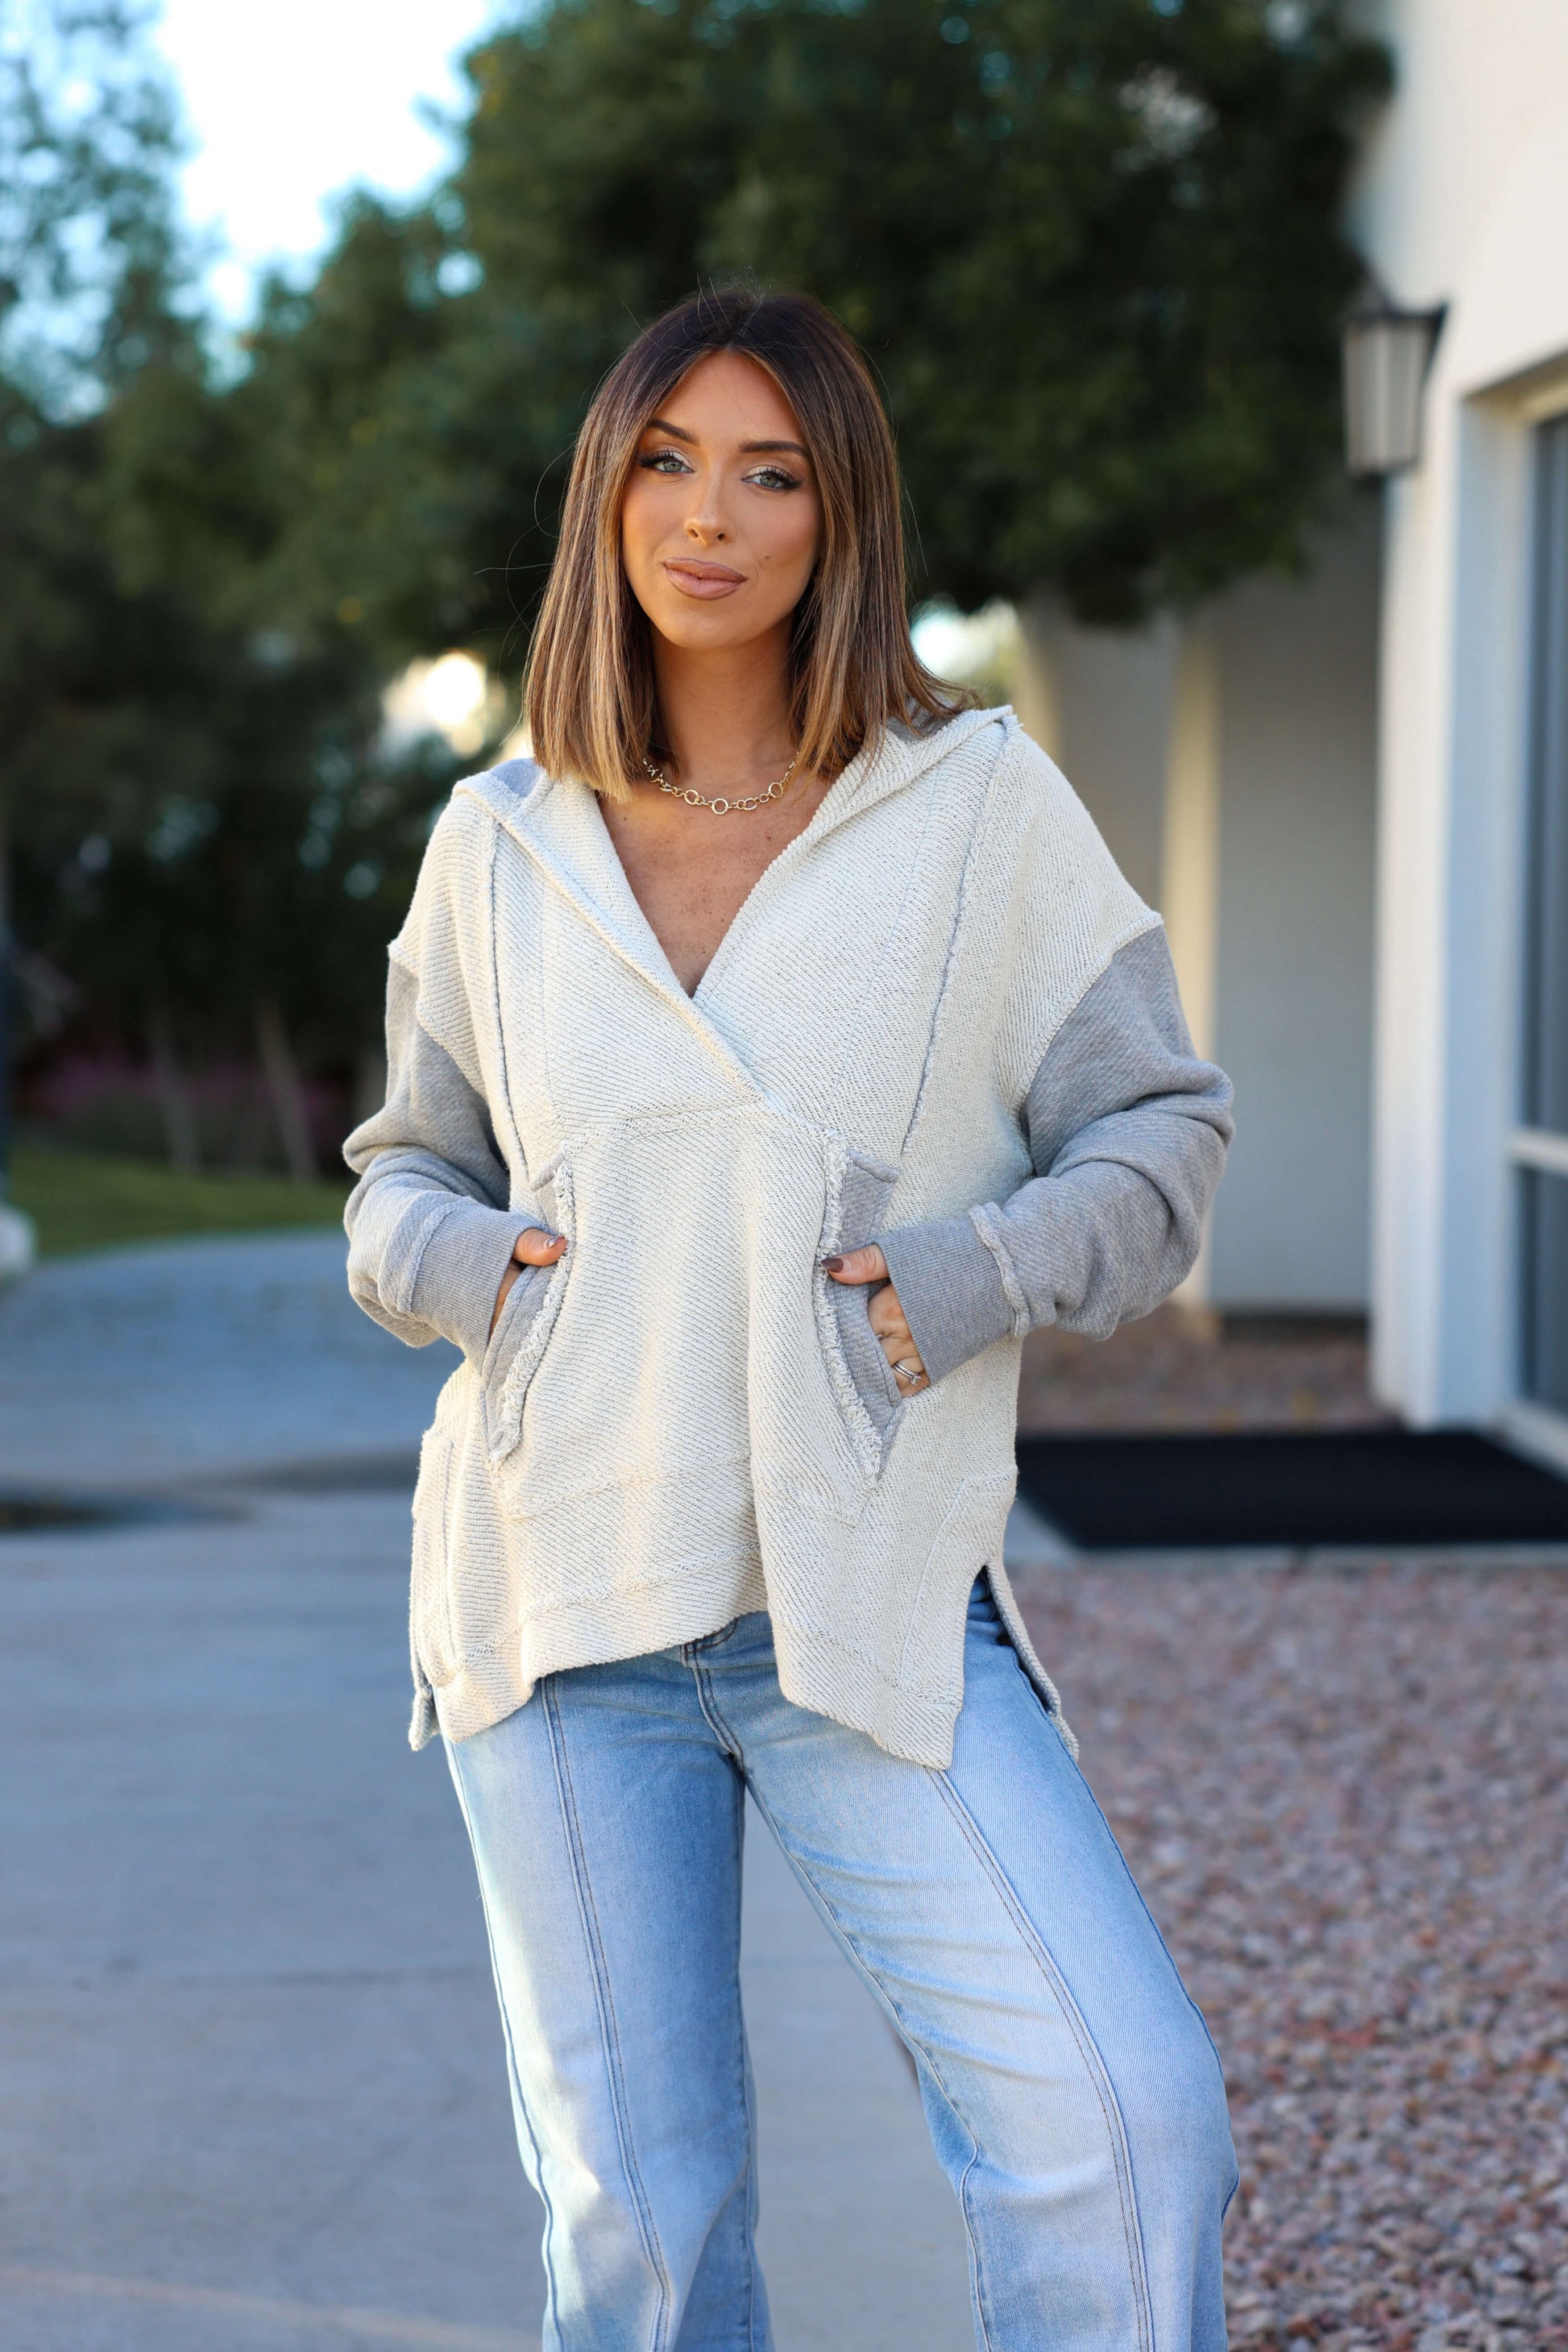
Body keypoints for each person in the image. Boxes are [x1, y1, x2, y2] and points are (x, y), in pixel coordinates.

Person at [344, 285, 1237, 2352]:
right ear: (604, 498)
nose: (711, 516)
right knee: (640, 2250)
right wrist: (468, 1269)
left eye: (772, 470)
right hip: (558, 1607)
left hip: (867, 1601)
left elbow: (1160, 1137)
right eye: (666, 461)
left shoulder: (977, 808)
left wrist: (977, 1274)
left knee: (1123, 2119)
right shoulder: (499, 841)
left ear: (842, 518)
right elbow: (403, 1170)